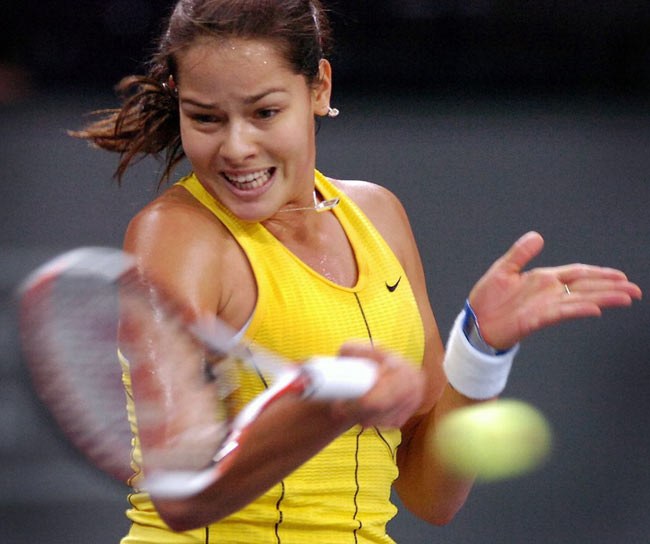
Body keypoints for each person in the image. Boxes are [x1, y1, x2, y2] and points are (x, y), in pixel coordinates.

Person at [71, 1, 642, 542]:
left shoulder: (378, 215)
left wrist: (479, 349)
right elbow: (181, 495)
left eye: (265, 112)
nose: (236, 146)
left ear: (318, 87)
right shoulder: (177, 237)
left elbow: (428, 494)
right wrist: (333, 407)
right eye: (205, 117)